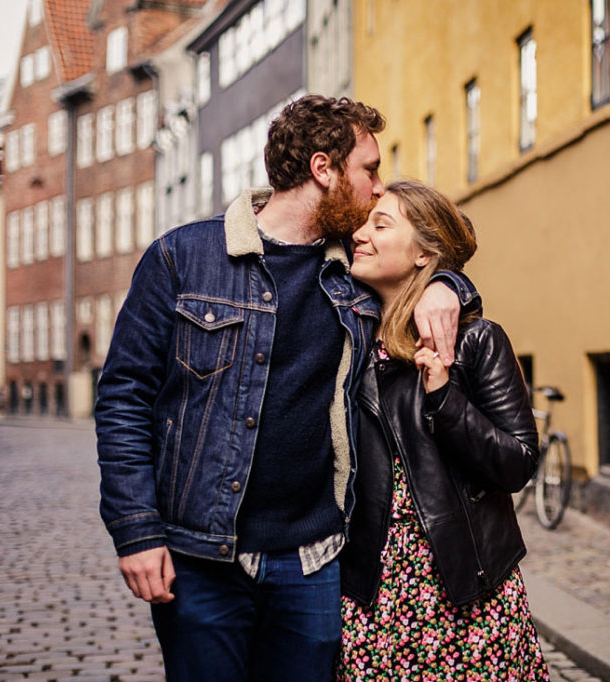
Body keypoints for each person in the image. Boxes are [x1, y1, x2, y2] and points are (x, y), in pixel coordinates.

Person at [94, 96, 479, 681]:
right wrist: (136, 531)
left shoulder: (356, 269)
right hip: (202, 558)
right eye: (369, 170)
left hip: (314, 561)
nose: (378, 189)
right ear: (324, 170)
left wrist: (448, 287)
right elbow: (123, 398)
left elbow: (443, 243)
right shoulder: (183, 258)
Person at [338, 180, 550, 680]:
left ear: (422, 254)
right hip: (373, 596)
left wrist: (444, 399)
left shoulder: (477, 342)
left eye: (380, 224)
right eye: (364, 223)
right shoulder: (351, 343)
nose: (359, 235)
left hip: (463, 592)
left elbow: (518, 462)